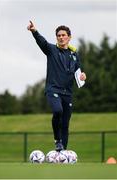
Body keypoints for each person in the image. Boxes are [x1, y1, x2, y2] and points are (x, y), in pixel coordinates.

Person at [27, 21, 86, 151]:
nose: (61, 37)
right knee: (58, 111)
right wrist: (34, 31)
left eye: (63, 35)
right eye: (58, 35)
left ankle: (62, 152)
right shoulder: (52, 50)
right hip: (53, 90)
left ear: (69, 37)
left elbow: (79, 72)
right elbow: (42, 42)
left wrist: (83, 76)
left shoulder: (74, 55)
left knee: (65, 124)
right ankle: (57, 140)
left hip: (68, 93)